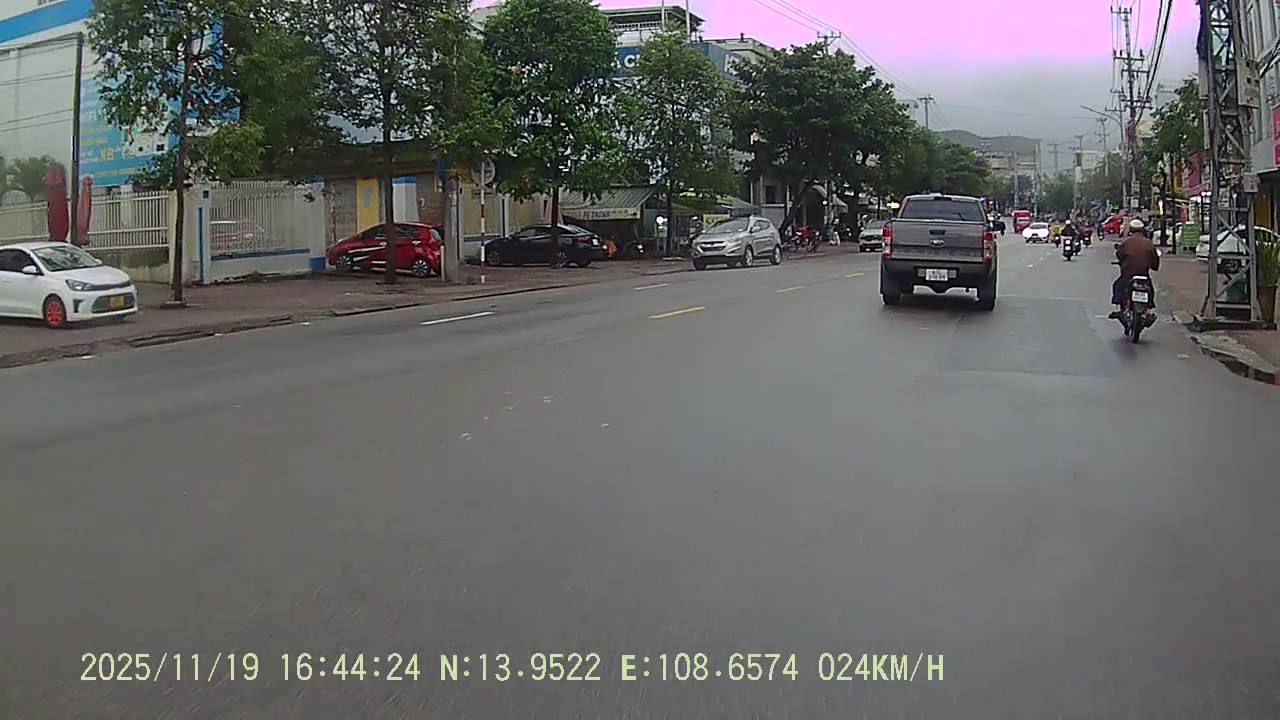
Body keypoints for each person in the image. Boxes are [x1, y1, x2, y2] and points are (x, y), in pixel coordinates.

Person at [1109, 218, 1161, 319]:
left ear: (1130, 230)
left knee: (1118, 286)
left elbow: (1120, 254)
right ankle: (1149, 309)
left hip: (1128, 275)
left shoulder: (1127, 242)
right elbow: (1155, 262)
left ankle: (1118, 308)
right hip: (1143, 274)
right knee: (1150, 289)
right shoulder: (1149, 243)